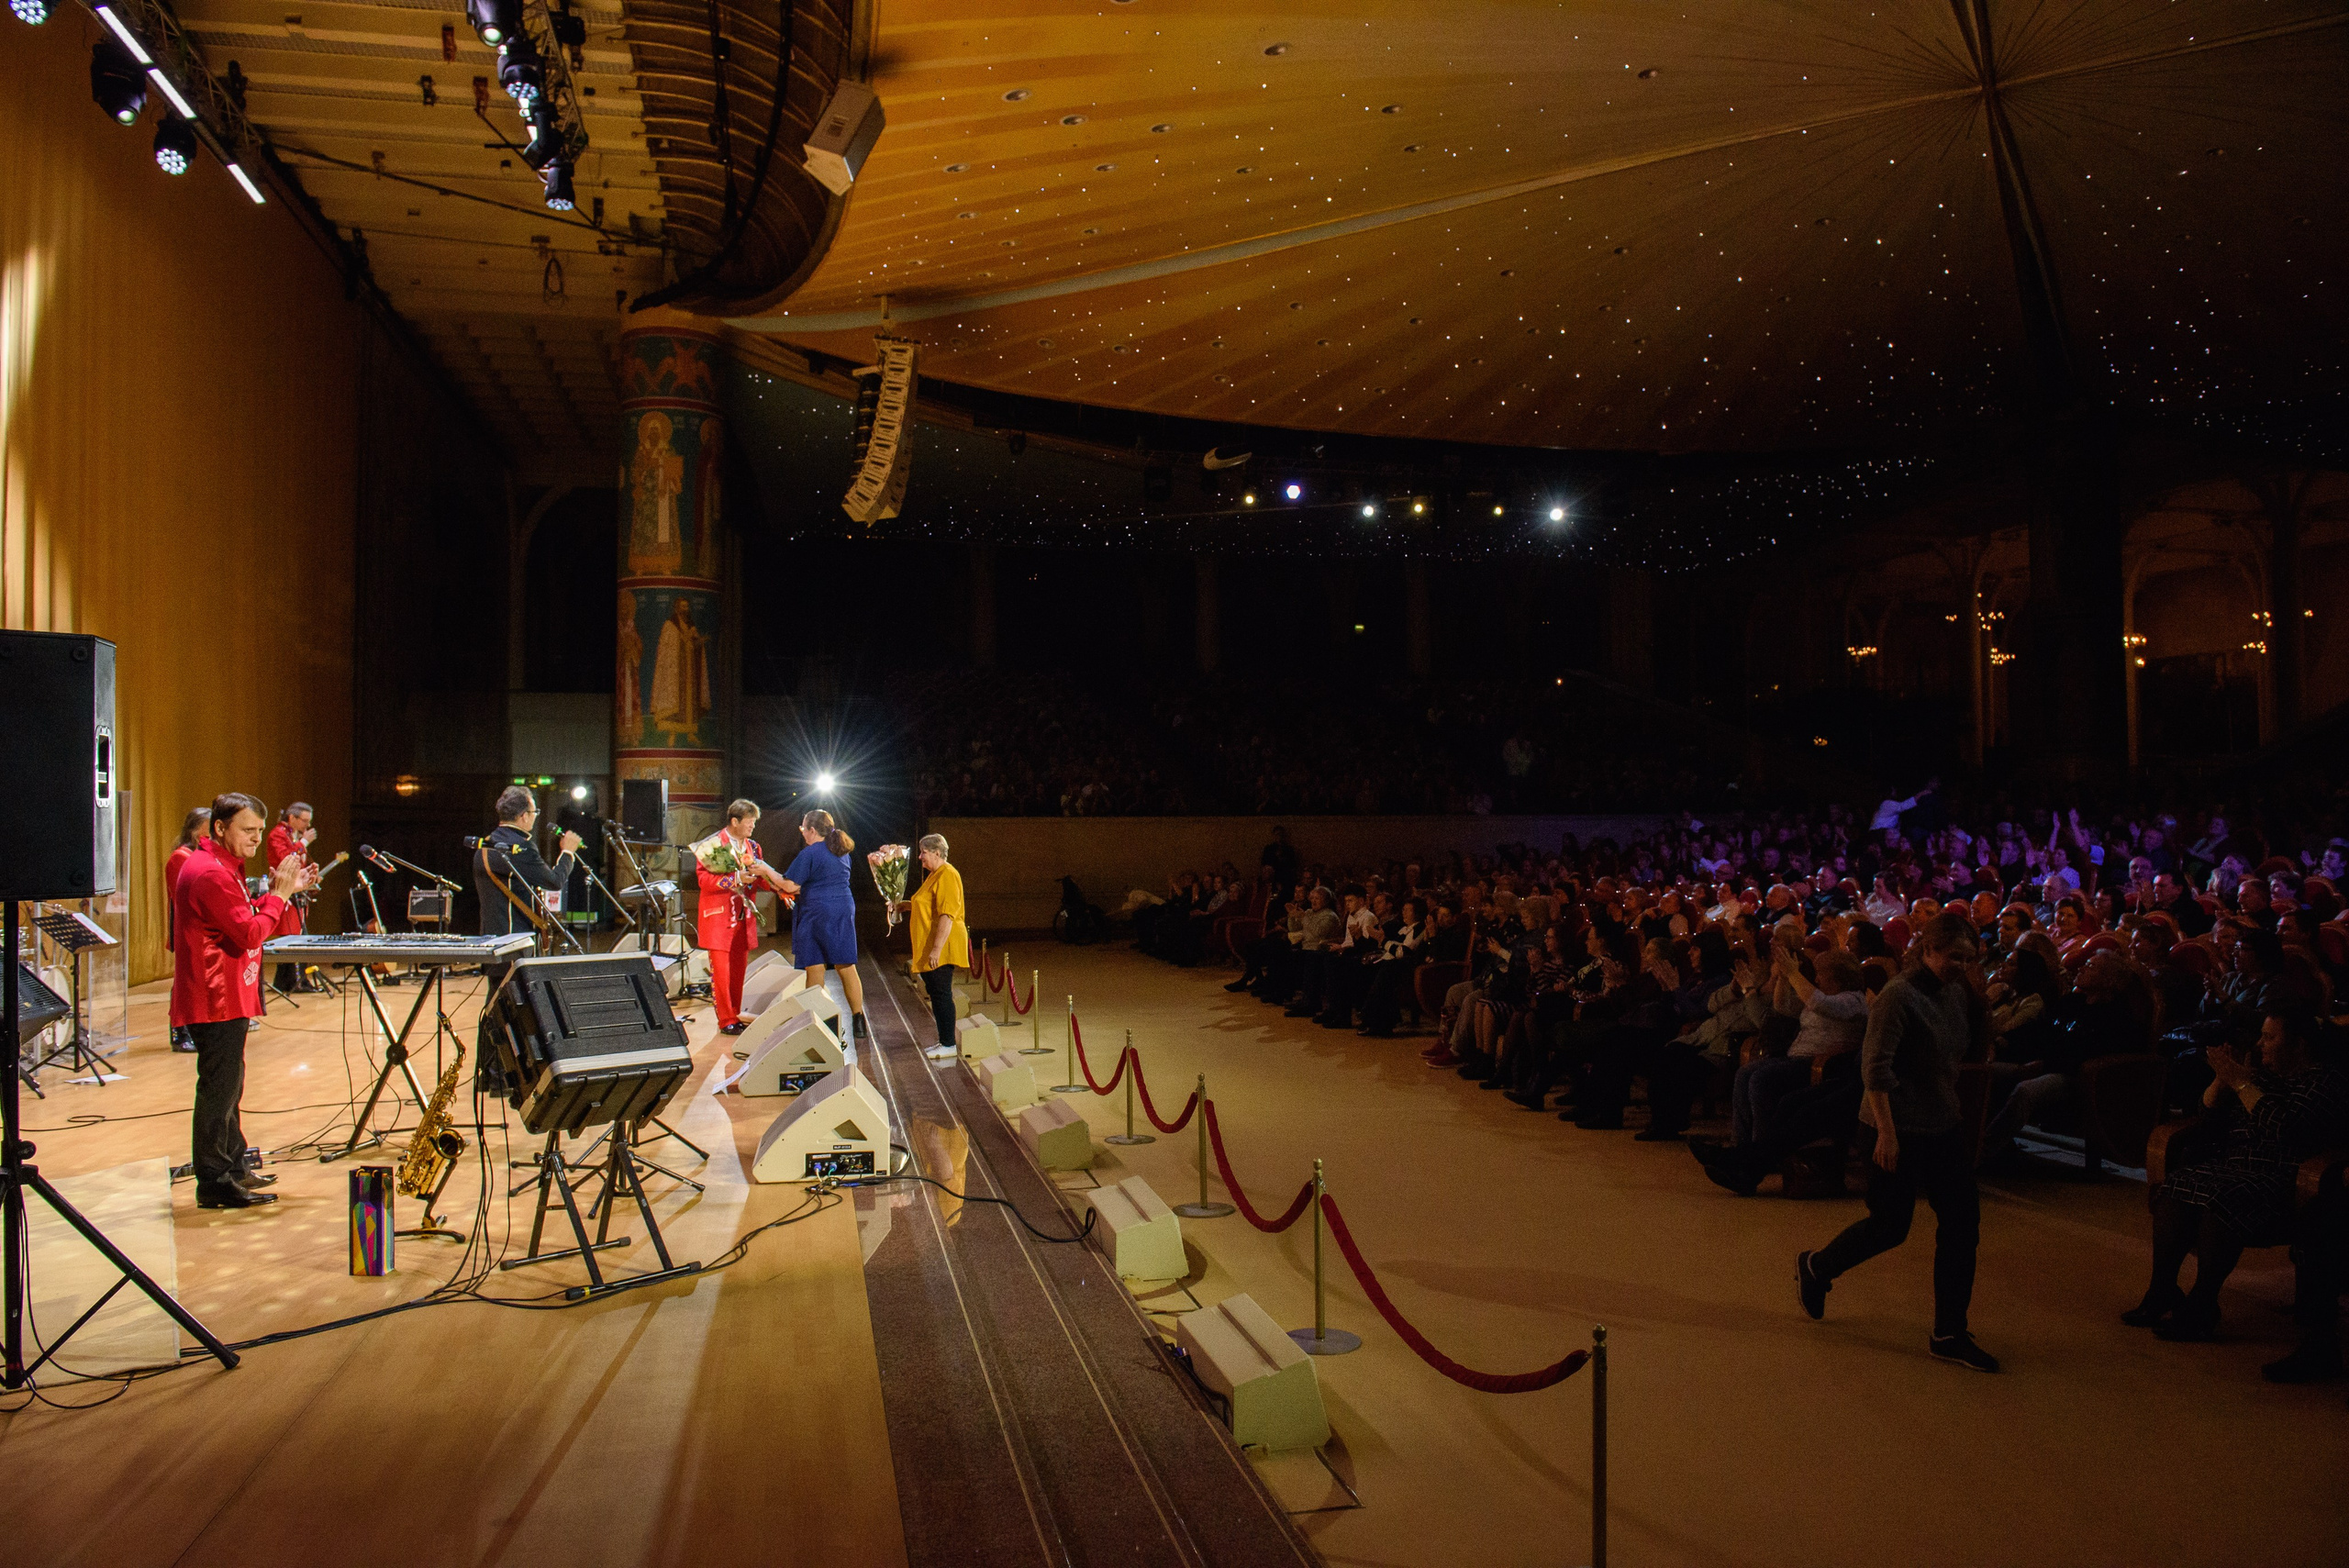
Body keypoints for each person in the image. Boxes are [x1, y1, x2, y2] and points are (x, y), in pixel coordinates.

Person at [1796, 910, 2000, 1373]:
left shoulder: (1957, 993)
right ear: (1927, 950)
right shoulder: (1898, 996)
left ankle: (1949, 1330)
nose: (1960, 965)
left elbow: (1963, 1053)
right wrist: (1886, 1133)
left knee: (1963, 1224)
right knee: (1891, 1226)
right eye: (1953, 956)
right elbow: (1875, 1068)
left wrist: (1982, 1000)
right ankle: (1817, 1267)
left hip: (1939, 1123)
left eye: (1969, 958)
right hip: (1894, 1125)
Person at [2126, 1008, 2349, 1343]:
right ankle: (2162, 1291)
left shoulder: (2323, 1081)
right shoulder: (2262, 1075)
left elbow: (2285, 1129)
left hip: (2286, 1175)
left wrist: (2242, 1082)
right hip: (2234, 1165)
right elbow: (2208, 1115)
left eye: (2270, 1037)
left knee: (2220, 1198)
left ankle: (2202, 1304)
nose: (2261, 1044)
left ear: (2299, 1044)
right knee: (2177, 1186)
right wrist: (2222, 1079)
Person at [171, 793, 318, 1210]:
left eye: (259, 830)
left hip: (226, 994)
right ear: (220, 828)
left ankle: (234, 1166)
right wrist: (279, 896)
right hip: (214, 996)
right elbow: (250, 933)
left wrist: (282, 892)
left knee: (230, 1085)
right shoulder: (210, 873)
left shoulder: (220, 866)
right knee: (219, 1090)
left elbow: (241, 917)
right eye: (248, 831)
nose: (257, 839)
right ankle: (214, 1181)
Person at [473, 785, 580, 1089]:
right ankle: (503, 1078)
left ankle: (491, 1076)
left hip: (491, 940)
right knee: (512, 1012)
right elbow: (553, 881)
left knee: (496, 1008)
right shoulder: (519, 848)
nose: (534, 818)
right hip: (514, 943)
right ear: (523, 816)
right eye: (533, 813)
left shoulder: (485, 846)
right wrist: (568, 852)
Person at [695, 800, 788, 1035]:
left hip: (744, 917)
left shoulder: (754, 848)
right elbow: (704, 881)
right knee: (721, 973)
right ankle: (725, 1019)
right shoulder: (712, 846)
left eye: (754, 822)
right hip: (718, 918)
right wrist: (735, 878)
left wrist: (780, 889)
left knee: (738, 971)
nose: (753, 827)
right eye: (749, 822)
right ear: (734, 821)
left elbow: (758, 878)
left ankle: (735, 1014)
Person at [777, 807, 868, 1039]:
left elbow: (790, 886)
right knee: (845, 965)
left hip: (817, 911)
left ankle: (816, 1021)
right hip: (842, 908)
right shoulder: (840, 850)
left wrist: (765, 869)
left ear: (812, 830)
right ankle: (858, 1019)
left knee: (814, 965)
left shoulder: (811, 852)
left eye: (803, 829)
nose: (802, 834)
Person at [904, 834, 970, 1059]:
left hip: (943, 944)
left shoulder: (948, 875)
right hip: (933, 943)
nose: (920, 857)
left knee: (942, 993)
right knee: (936, 992)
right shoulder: (934, 875)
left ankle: (948, 1044)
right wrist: (903, 906)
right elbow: (927, 905)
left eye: (924, 852)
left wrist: (936, 949)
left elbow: (946, 915)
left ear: (937, 853)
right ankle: (944, 1041)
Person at [164, 806, 211, 1052]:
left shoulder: (200, 854)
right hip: (187, 928)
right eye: (209, 826)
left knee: (197, 981)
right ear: (194, 829)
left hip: (202, 929)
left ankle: (195, 1027)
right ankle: (179, 1032)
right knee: (185, 980)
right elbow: (184, 896)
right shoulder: (180, 857)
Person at [265, 800, 317, 995]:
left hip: (296, 890)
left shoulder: (291, 835)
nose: (307, 826)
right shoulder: (277, 834)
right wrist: (303, 843)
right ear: (292, 817)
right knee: (291, 935)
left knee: (298, 934)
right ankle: (290, 981)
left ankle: (294, 981)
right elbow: (286, 859)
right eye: (304, 820)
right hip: (286, 890)